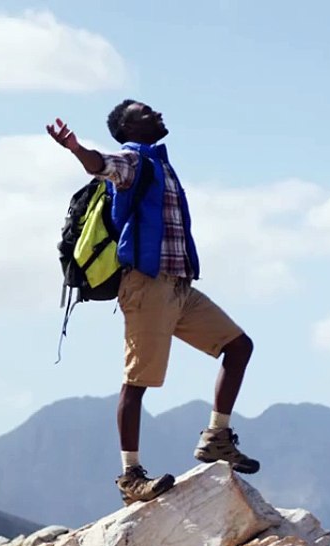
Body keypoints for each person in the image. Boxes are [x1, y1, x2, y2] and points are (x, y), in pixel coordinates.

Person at [46, 99, 259, 505]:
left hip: (179, 287)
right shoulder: (134, 160)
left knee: (238, 346)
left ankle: (216, 437)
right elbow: (101, 165)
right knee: (137, 381)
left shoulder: (160, 164)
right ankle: (131, 476)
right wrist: (76, 148)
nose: (158, 113)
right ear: (129, 127)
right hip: (148, 286)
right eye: (146, 112)